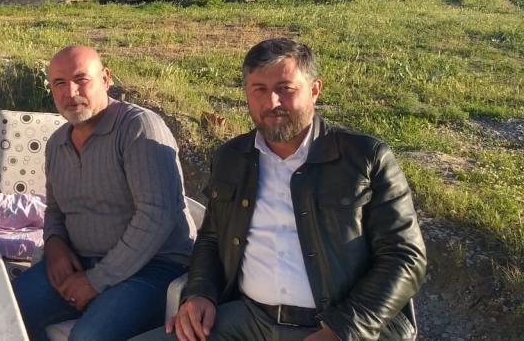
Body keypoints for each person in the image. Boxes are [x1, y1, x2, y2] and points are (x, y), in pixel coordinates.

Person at [145, 38, 426, 341]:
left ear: (315, 90)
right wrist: (200, 292)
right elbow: (212, 237)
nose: (272, 103)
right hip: (249, 320)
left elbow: (405, 256)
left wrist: (344, 329)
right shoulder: (231, 157)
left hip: (338, 325)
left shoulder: (365, 158)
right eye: (259, 90)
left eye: (285, 88)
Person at [12, 45, 196, 340]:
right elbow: (56, 209)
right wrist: (55, 244)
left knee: (89, 337)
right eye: (59, 83)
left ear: (106, 79)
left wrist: (97, 280)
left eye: (81, 79)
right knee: (4, 310)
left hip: (154, 267)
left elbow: (156, 215)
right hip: (82, 261)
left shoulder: (138, 128)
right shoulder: (57, 143)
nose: (70, 92)